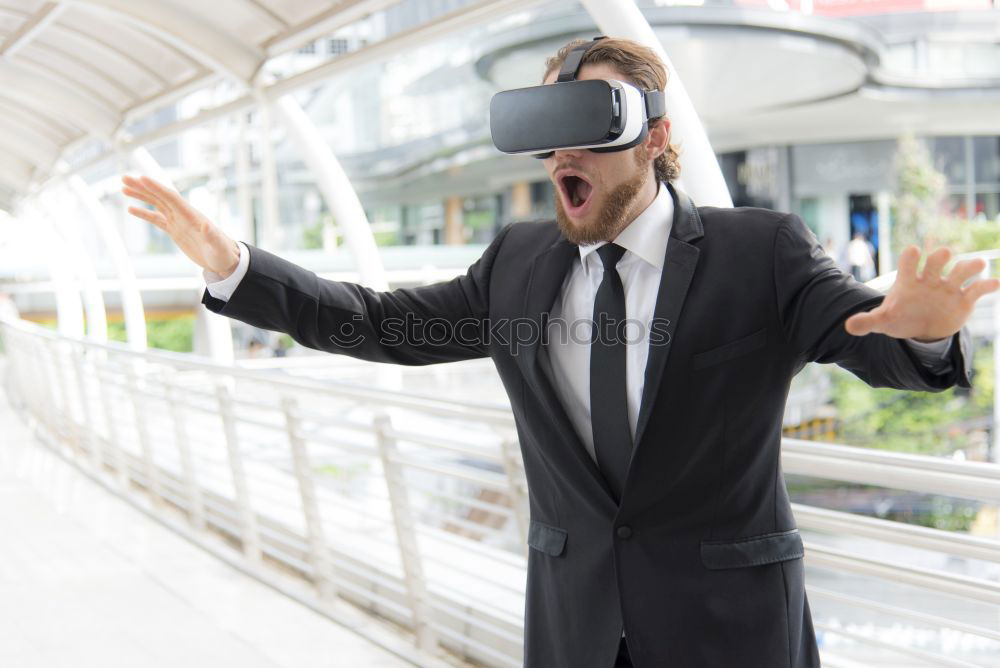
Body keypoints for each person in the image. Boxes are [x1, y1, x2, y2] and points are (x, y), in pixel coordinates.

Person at [120, 36, 996, 668]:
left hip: (731, 633)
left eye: (592, 124)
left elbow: (865, 340)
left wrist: (923, 328)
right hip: (576, 629)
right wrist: (236, 269)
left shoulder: (756, 252)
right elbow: (383, 324)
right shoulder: (518, 264)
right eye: (547, 128)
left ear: (655, 137)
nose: (563, 152)